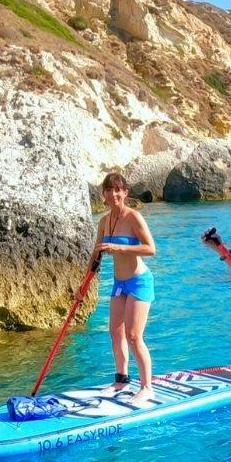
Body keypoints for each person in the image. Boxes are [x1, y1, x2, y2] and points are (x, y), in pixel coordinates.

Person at [94, 172, 157, 401]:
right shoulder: (104, 221)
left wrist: (122, 249)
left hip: (139, 281)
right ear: (104, 194)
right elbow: (97, 253)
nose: (113, 194)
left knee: (133, 336)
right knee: (115, 332)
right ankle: (121, 381)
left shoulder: (134, 218)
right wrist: (85, 284)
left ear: (125, 192)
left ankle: (147, 387)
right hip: (119, 283)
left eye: (118, 190)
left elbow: (151, 249)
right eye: (109, 190)